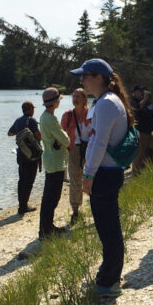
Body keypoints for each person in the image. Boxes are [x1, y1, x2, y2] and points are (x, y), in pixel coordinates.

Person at [71, 58, 133, 298]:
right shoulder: (105, 101)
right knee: (107, 228)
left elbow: (99, 142)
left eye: (84, 77)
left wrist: (88, 174)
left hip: (105, 173)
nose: (81, 82)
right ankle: (109, 274)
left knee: (109, 229)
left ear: (98, 77)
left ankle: (109, 281)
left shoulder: (107, 104)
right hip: (107, 172)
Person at [39, 87, 70, 239]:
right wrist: (64, 137)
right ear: (56, 102)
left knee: (49, 196)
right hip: (55, 161)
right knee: (52, 197)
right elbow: (66, 140)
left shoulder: (44, 116)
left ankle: (47, 227)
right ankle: (45, 231)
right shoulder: (51, 119)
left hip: (51, 159)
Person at [60, 88, 91, 224]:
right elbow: (61, 133)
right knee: (75, 179)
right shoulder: (68, 115)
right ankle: (75, 210)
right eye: (74, 96)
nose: (75, 99)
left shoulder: (91, 113)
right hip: (74, 149)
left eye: (78, 96)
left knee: (93, 176)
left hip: (90, 148)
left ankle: (95, 204)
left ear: (85, 99)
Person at [7, 101, 41, 214]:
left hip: (21, 154)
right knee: (29, 180)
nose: (34, 111)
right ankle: (23, 207)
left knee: (22, 180)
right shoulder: (32, 120)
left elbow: (9, 133)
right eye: (33, 109)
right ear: (30, 109)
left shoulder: (18, 120)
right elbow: (38, 136)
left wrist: (20, 134)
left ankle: (21, 204)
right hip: (32, 155)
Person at [130, 84, 153, 174]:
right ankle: (135, 175)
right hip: (140, 133)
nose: (141, 93)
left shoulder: (148, 102)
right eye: (139, 91)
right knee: (139, 155)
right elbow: (137, 109)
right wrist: (144, 100)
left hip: (151, 132)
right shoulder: (132, 102)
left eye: (142, 91)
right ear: (134, 93)